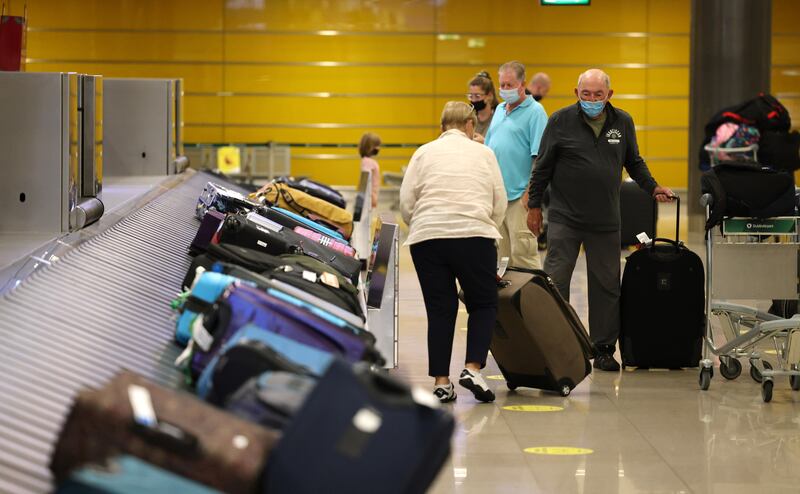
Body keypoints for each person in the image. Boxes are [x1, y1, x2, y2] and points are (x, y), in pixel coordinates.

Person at [526, 68, 675, 371]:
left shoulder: (623, 121)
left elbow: (633, 161)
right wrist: (534, 206)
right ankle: (557, 344)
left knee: (607, 285)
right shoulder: (560, 121)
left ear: (609, 94)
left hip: (605, 219)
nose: (592, 100)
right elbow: (543, 166)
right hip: (565, 217)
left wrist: (653, 187)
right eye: (586, 94)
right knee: (555, 281)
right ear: (576, 93)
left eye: (597, 94)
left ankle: (604, 348)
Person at [400, 101, 507, 403]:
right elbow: (498, 200)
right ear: (471, 126)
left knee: (440, 309)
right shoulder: (484, 153)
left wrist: (423, 225)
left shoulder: (423, 152)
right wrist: (487, 228)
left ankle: (441, 382)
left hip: (427, 238)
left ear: (443, 126)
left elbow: (407, 202)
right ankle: (472, 368)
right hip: (474, 235)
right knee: (483, 303)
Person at [485, 61, 548, 270]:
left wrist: (529, 194)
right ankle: (505, 304)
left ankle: (535, 302)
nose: (504, 90)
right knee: (502, 261)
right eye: (501, 85)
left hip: (520, 198)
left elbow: (540, 157)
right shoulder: (500, 109)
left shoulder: (536, 112)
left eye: (509, 85)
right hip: (498, 199)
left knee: (524, 257)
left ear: (522, 84)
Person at [467, 71, 499, 144]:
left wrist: (485, 142)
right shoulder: (467, 118)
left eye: (477, 96)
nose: (473, 100)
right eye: (471, 96)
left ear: (489, 96)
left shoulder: (498, 118)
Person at [359, 132, 381, 208]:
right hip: (369, 197)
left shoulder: (368, 161)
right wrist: (372, 197)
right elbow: (365, 182)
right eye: (376, 146)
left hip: (370, 196)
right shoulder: (368, 162)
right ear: (369, 148)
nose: (378, 148)